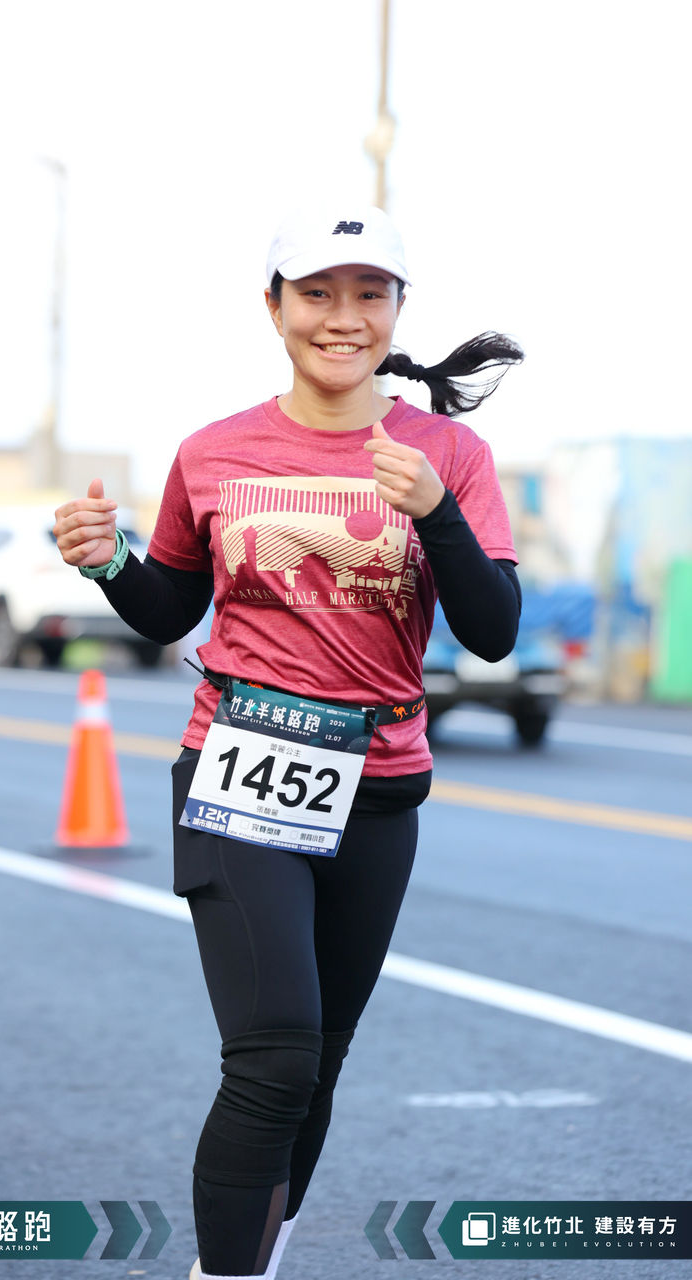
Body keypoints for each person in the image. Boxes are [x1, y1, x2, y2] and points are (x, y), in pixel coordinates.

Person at [53, 204, 523, 1279]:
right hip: (239, 768)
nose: (342, 317)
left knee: (318, 1061)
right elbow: (171, 607)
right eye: (316, 293)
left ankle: (261, 1254)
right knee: (272, 1056)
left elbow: (493, 632)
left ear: (396, 309)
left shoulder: (448, 452)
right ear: (273, 309)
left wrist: (436, 510)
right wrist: (108, 560)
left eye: (368, 294)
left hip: (380, 784)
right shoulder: (214, 450)